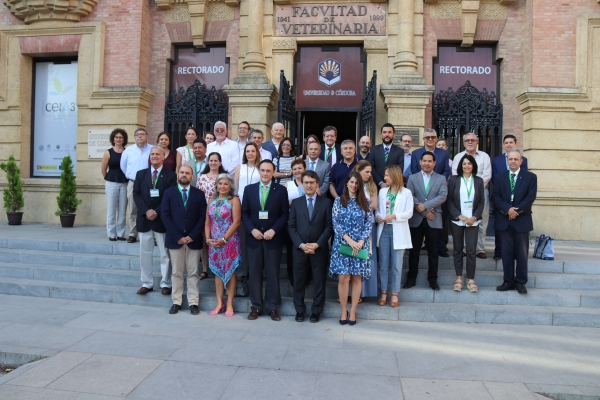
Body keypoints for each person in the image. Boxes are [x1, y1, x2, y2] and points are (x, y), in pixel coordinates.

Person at [242, 160, 290, 321]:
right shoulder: (249, 190)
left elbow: (285, 214)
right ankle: (256, 306)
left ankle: (272, 307)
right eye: (262, 170)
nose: (265, 173)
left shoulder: (281, 190)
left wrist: (273, 230)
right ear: (258, 171)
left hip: (273, 239)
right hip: (254, 238)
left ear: (273, 172)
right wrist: (252, 230)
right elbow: (245, 213)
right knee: (254, 274)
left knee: (272, 274)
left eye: (268, 171)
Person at [161, 164, 207, 315]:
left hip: (193, 240)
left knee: (193, 272)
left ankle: (193, 302)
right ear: (177, 175)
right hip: (175, 240)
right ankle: (176, 301)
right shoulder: (169, 193)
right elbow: (165, 216)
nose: (184, 175)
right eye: (182, 172)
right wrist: (178, 236)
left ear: (192, 176)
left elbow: (202, 217)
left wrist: (191, 236)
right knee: (177, 272)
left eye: (187, 173)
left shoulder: (199, 194)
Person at [288, 170, 333, 323]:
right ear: (303, 183)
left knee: (319, 281)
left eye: (312, 182)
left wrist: (317, 244)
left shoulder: (326, 203)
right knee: (299, 281)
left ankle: (316, 311)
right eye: (306, 182)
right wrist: (301, 245)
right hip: (300, 250)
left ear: (317, 184)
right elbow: (291, 227)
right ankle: (299, 310)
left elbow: (328, 227)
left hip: (318, 250)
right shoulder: (296, 203)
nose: (309, 185)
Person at [329, 172, 373, 325]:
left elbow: (369, 224)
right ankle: (343, 310)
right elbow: (336, 224)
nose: (354, 185)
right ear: (347, 183)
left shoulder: (365, 202)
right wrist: (349, 240)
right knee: (343, 278)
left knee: (356, 277)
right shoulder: (338, 202)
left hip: (359, 245)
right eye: (352, 182)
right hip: (342, 244)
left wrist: (360, 242)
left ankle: (353, 310)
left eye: (357, 183)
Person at [133, 146, 177, 295]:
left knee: (164, 253)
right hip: (144, 219)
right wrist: (146, 211)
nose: (154, 156)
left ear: (163, 157)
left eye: (157, 154)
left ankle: (166, 283)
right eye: (152, 154)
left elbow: (169, 197)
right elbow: (136, 194)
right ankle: (146, 283)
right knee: (144, 253)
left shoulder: (171, 176)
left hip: (161, 219)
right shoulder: (140, 174)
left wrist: (156, 211)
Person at [492, 149, 537, 294]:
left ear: (521, 161)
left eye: (515, 159)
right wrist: (508, 210)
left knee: (522, 253)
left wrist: (516, 211)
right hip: (504, 220)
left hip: (522, 220)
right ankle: (508, 281)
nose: (513, 161)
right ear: (507, 160)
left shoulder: (530, 177)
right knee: (506, 252)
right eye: (510, 159)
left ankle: (521, 282)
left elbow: (530, 197)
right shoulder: (499, 177)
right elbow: (496, 197)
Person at [405, 151, 448, 290]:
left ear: (434, 163)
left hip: (434, 218)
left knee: (433, 252)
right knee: (414, 252)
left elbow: (442, 196)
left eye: (430, 161)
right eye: (424, 161)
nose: (427, 163)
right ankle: (411, 278)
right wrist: (424, 211)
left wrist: (426, 206)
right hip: (417, 219)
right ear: (420, 162)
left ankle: (433, 279)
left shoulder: (441, 178)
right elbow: (409, 195)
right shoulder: (412, 178)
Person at [376, 165, 413, 307]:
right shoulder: (382, 192)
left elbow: (409, 212)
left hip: (398, 230)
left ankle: (395, 293)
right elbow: (378, 209)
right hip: (384, 229)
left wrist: (395, 216)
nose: (384, 178)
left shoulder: (406, 193)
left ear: (395, 176)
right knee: (383, 264)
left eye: (387, 175)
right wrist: (378, 216)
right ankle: (384, 291)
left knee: (397, 265)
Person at [447, 155, 485, 293]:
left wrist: (474, 217)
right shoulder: (454, 180)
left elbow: (481, 202)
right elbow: (449, 200)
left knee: (470, 250)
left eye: (469, 163)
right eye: (464, 164)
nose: (467, 166)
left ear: (473, 165)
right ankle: (458, 278)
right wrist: (460, 216)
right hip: (458, 220)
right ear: (460, 166)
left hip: (472, 221)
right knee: (457, 249)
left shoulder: (479, 181)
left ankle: (470, 279)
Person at [205, 174, 242, 316]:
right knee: (217, 271)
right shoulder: (211, 200)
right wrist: (208, 238)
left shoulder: (234, 200)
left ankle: (230, 302)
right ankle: (219, 302)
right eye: (220, 183)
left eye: (226, 184)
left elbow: (236, 222)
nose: (223, 186)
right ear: (216, 185)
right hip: (214, 242)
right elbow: (207, 222)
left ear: (230, 186)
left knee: (229, 270)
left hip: (229, 241)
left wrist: (224, 239)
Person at [452, 132, 492, 259]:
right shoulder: (458, 157)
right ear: (463, 143)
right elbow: (455, 175)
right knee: (463, 219)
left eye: (472, 140)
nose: (470, 142)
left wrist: (477, 187)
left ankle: (480, 248)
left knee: (481, 219)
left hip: (481, 191)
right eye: (467, 140)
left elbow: (487, 174)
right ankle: (464, 248)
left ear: (477, 142)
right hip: (462, 192)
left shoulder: (484, 156)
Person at [491, 134, 529, 260]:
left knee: (515, 228)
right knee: (500, 226)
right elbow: (494, 178)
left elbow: (523, 180)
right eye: (506, 142)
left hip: (518, 201)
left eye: (511, 142)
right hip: (502, 199)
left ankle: (515, 252)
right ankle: (499, 251)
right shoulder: (497, 160)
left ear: (515, 144)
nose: (508, 144)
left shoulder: (523, 159)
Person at [233, 142, 261, 282]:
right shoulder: (240, 167)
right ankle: (243, 271)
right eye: (247, 151)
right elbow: (236, 188)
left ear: (257, 153)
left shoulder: (261, 168)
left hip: (257, 209)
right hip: (242, 208)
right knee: (242, 239)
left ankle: (256, 270)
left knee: (256, 239)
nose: (250, 153)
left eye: (252, 151)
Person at [196, 152, 227, 280]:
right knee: (205, 240)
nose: (213, 163)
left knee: (220, 239)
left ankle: (219, 267)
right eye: (211, 160)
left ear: (220, 162)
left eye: (216, 160)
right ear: (208, 162)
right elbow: (198, 195)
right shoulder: (201, 177)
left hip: (221, 213)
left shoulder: (224, 177)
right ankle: (205, 269)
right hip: (205, 211)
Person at [120, 128, 153, 243]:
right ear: (134, 137)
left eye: (142, 134)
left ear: (146, 136)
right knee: (133, 209)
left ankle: (149, 232)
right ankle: (133, 233)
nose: (140, 136)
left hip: (149, 183)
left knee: (149, 207)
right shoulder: (128, 151)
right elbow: (123, 166)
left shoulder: (152, 149)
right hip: (133, 182)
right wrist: (132, 176)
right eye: (137, 135)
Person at [352, 160, 378, 300]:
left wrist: (356, 208)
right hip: (351, 227)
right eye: (366, 172)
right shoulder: (351, 184)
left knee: (365, 257)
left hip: (367, 226)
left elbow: (373, 206)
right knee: (351, 257)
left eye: (370, 172)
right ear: (358, 170)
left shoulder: (371, 186)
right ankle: (349, 293)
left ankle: (363, 293)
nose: (369, 174)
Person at [101, 128, 129, 242]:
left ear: (124, 139)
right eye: (116, 137)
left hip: (124, 183)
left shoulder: (127, 152)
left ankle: (121, 233)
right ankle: (111, 233)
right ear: (113, 139)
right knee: (111, 209)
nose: (118, 139)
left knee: (123, 209)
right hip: (112, 182)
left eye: (121, 137)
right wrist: (108, 178)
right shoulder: (108, 152)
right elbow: (103, 169)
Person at [283, 159, 307, 285]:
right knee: (291, 251)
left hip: (307, 223)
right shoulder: (288, 185)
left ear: (305, 169)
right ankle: (292, 277)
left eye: (300, 168)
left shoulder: (309, 183)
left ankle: (306, 277)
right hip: (291, 223)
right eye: (295, 169)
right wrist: (295, 203)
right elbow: (282, 204)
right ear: (292, 171)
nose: (297, 171)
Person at [367, 123, 405, 189]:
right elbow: (371, 167)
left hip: (393, 187)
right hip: (376, 186)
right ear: (381, 135)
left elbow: (399, 169)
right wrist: (380, 182)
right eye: (384, 132)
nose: (387, 135)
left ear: (394, 135)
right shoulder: (374, 150)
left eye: (389, 132)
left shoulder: (400, 151)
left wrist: (389, 182)